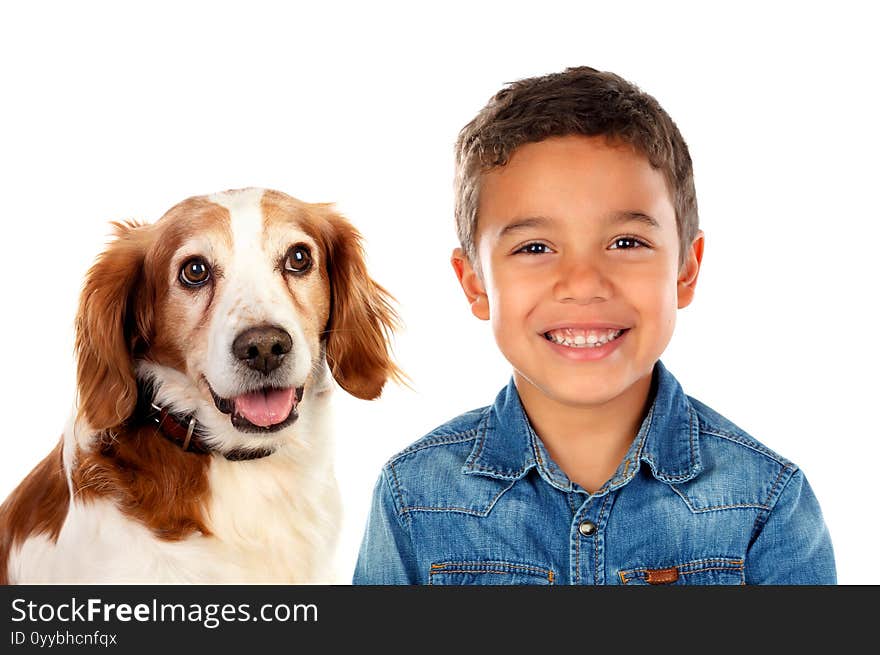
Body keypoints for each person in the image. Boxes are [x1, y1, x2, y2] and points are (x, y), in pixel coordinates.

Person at [352, 67, 835, 585]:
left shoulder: (766, 503)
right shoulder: (414, 497)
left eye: (626, 243)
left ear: (686, 271)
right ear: (475, 284)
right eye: (534, 248)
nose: (582, 283)